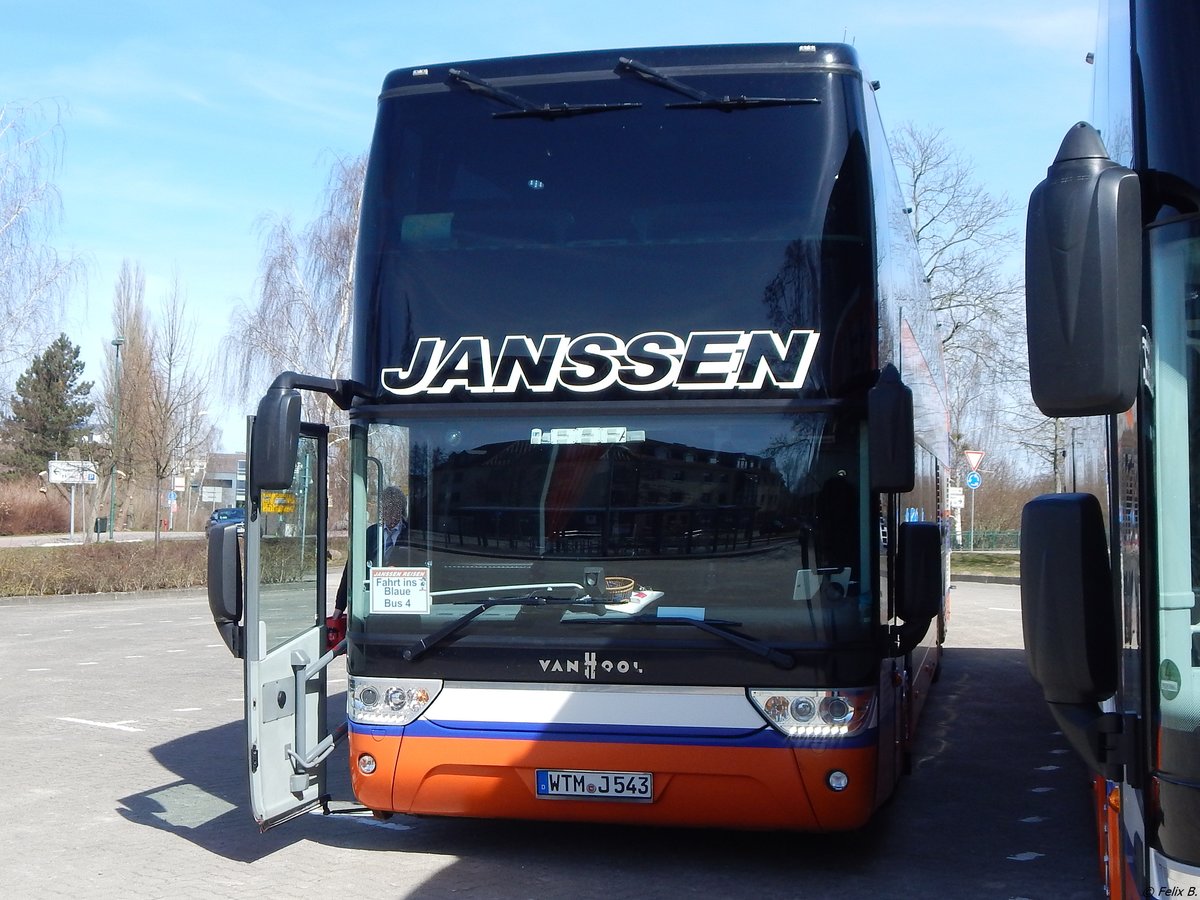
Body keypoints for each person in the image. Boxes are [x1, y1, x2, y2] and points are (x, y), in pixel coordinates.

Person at [332, 485, 408, 616]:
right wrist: (339, 607)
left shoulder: (412, 534)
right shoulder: (371, 533)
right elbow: (351, 569)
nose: (390, 514)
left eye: (394, 509)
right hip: (371, 604)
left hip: (404, 603)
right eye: (386, 508)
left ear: (401, 510)